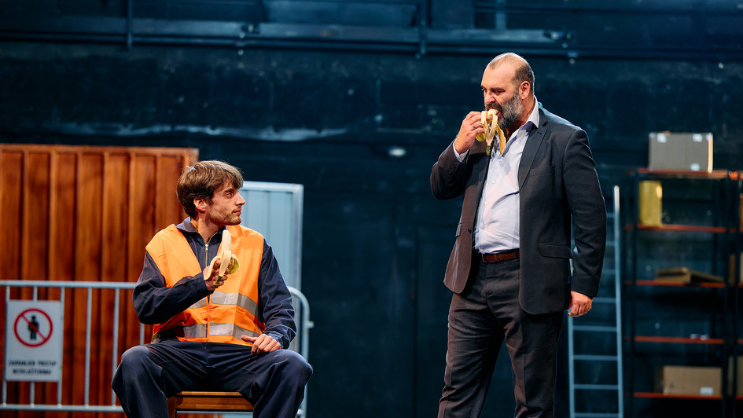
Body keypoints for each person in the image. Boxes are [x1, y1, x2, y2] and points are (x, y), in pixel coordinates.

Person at [430, 53, 606, 418]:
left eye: (497, 91)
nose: (488, 99)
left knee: (532, 399)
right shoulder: (479, 137)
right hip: (472, 278)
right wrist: (459, 146)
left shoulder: (564, 138)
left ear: (524, 89)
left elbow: (591, 215)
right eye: (484, 91)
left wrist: (584, 284)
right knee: (457, 390)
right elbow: (440, 188)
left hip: (530, 278)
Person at [112, 160, 312, 418]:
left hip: (241, 355)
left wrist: (276, 335)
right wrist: (199, 285)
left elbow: (281, 308)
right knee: (134, 361)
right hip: (181, 355)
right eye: (230, 194)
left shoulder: (255, 243)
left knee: (293, 364)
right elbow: (146, 308)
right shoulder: (163, 243)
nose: (241, 200)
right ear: (201, 203)